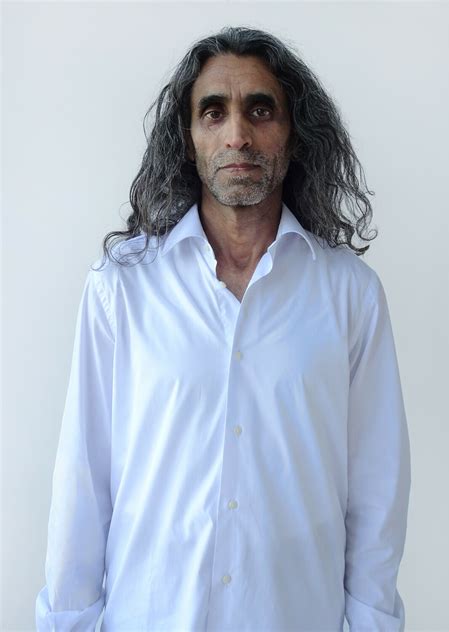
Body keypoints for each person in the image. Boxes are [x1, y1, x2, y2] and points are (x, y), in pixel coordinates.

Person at [36, 25, 411, 631]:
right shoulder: (121, 287)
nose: (238, 134)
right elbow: (83, 480)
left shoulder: (350, 295)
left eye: (261, 110)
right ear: (188, 141)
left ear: (294, 134)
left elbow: (377, 490)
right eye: (213, 112)